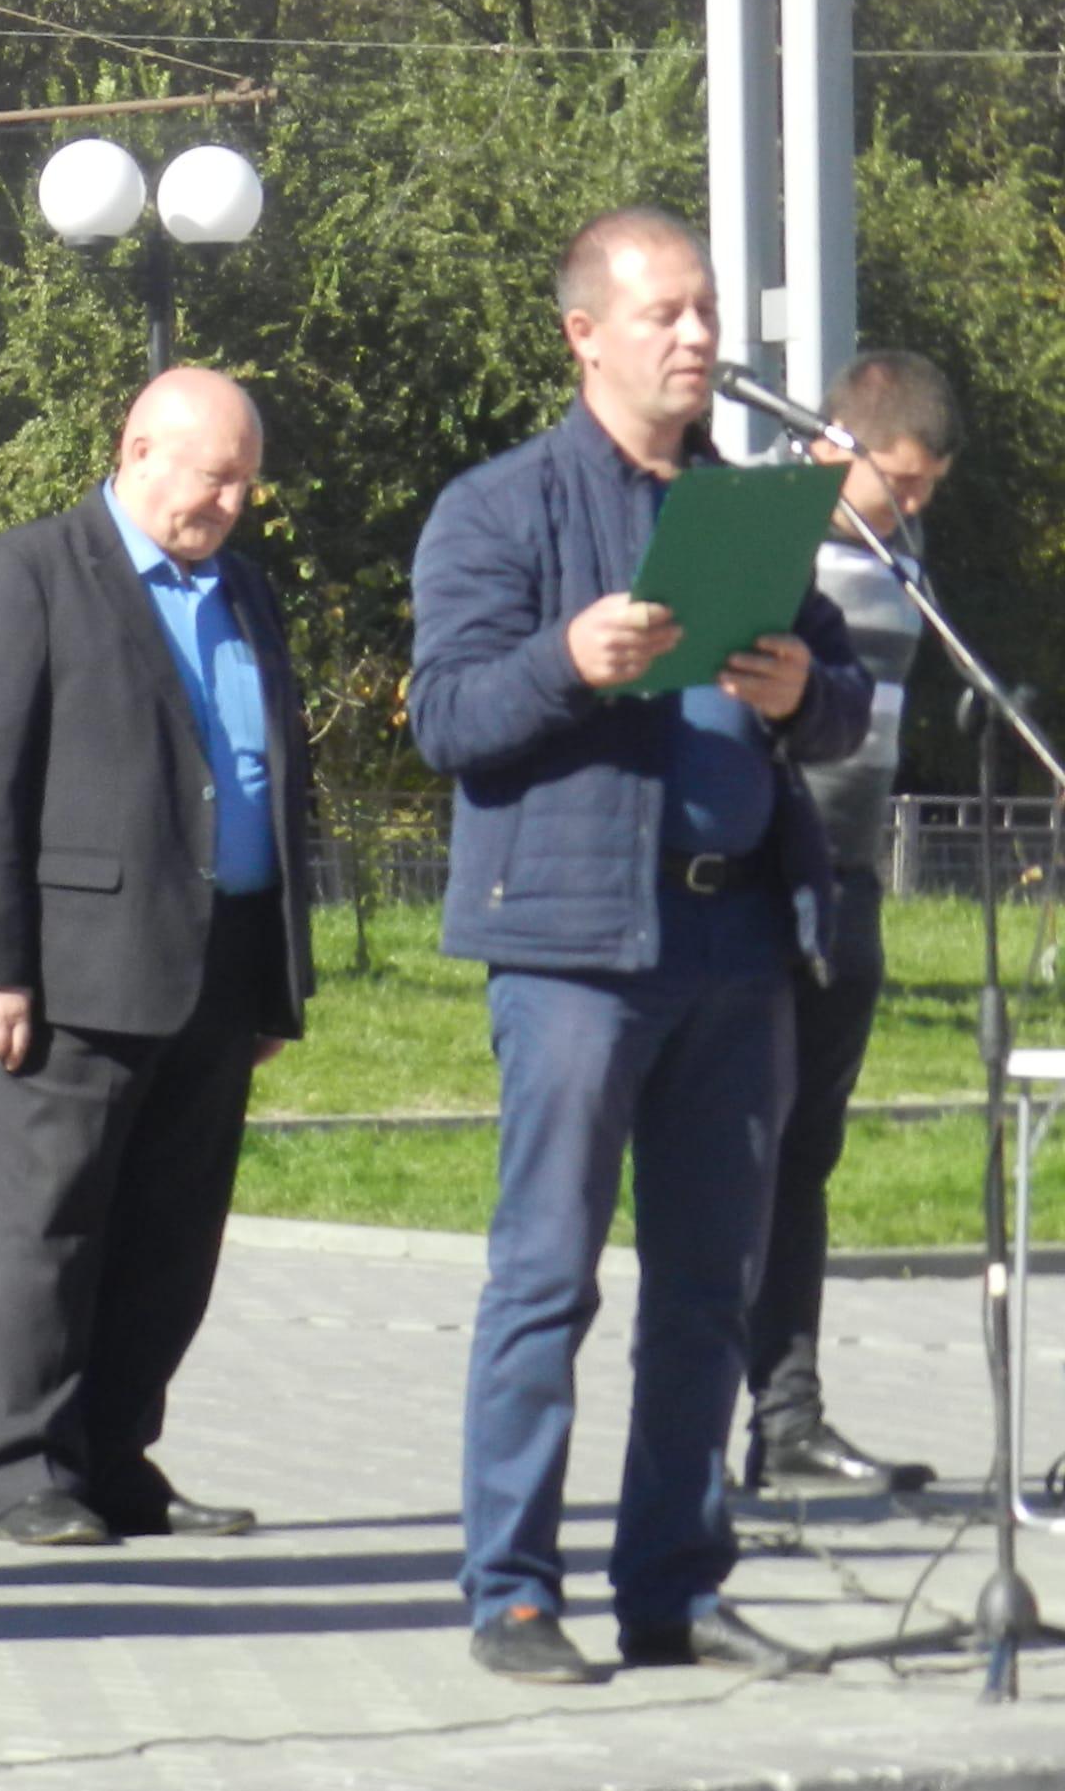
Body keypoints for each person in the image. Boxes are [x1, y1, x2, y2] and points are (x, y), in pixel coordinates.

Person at [409, 207, 867, 1685]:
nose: (695, 337)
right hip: (575, 949)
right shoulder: (500, 508)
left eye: (705, 311)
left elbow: (843, 707)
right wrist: (566, 660)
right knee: (547, 1276)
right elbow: (446, 717)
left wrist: (802, 691)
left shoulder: (748, 512)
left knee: (707, 1290)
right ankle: (511, 1593)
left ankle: (673, 1586)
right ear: (583, 335)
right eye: (663, 312)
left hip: (738, 940)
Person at [0, 366, 314, 1551]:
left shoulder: (241, 590)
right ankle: (24, 1473)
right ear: (138, 451)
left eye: (244, 483)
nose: (230, 504)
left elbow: (268, 776)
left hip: (220, 963)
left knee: (169, 1242)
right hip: (72, 971)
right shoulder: (27, 573)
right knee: (47, 1233)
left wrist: (275, 976)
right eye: (214, 478)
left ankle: (114, 1458)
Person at [746, 350, 960, 1495]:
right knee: (733, 1154)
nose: (911, 502)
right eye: (901, 479)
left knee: (805, 1155)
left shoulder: (897, 546)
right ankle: (699, 1434)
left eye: (928, 486)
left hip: (850, 878)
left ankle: (787, 1420)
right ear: (836, 443)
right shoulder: (758, 524)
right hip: (755, 877)